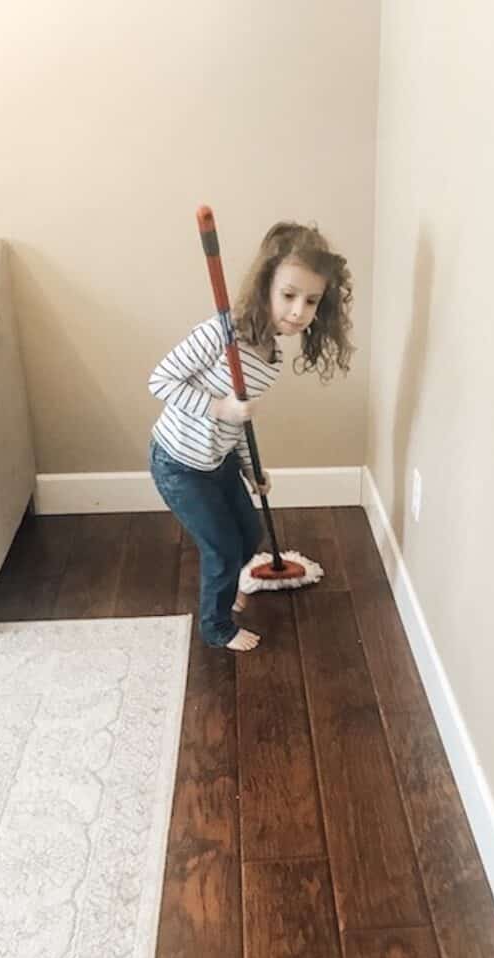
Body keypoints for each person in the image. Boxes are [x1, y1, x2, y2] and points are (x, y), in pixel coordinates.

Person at [148, 221, 354, 651]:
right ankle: (216, 627)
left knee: (248, 534)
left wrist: (250, 469)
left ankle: (224, 590)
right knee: (222, 550)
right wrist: (219, 406)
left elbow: (240, 422)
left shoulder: (271, 357)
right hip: (179, 463)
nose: (298, 311)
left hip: (219, 460)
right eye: (289, 295)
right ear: (266, 286)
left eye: (311, 301)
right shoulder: (220, 335)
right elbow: (160, 381)